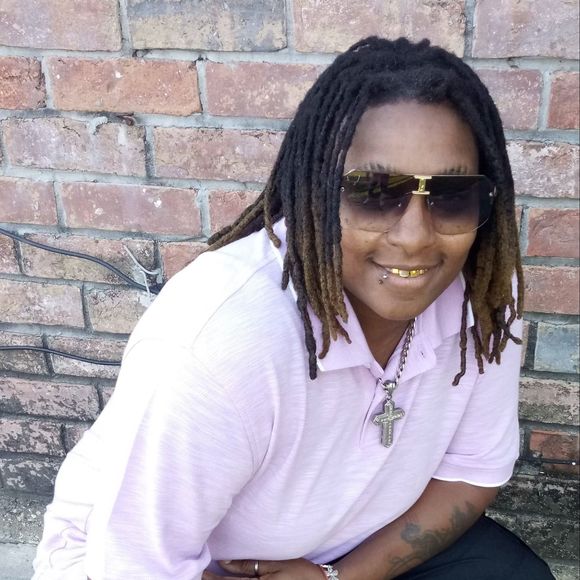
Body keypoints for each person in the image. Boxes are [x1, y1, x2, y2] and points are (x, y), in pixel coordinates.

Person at [33, 36, 555, 580]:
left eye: (451, 195)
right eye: (374, 192)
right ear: (315, 190)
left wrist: (339, 578)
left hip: (350, 545)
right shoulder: (218, 342)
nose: (415, 237)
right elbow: (134, 564)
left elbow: (470, 471)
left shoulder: (484, 297)